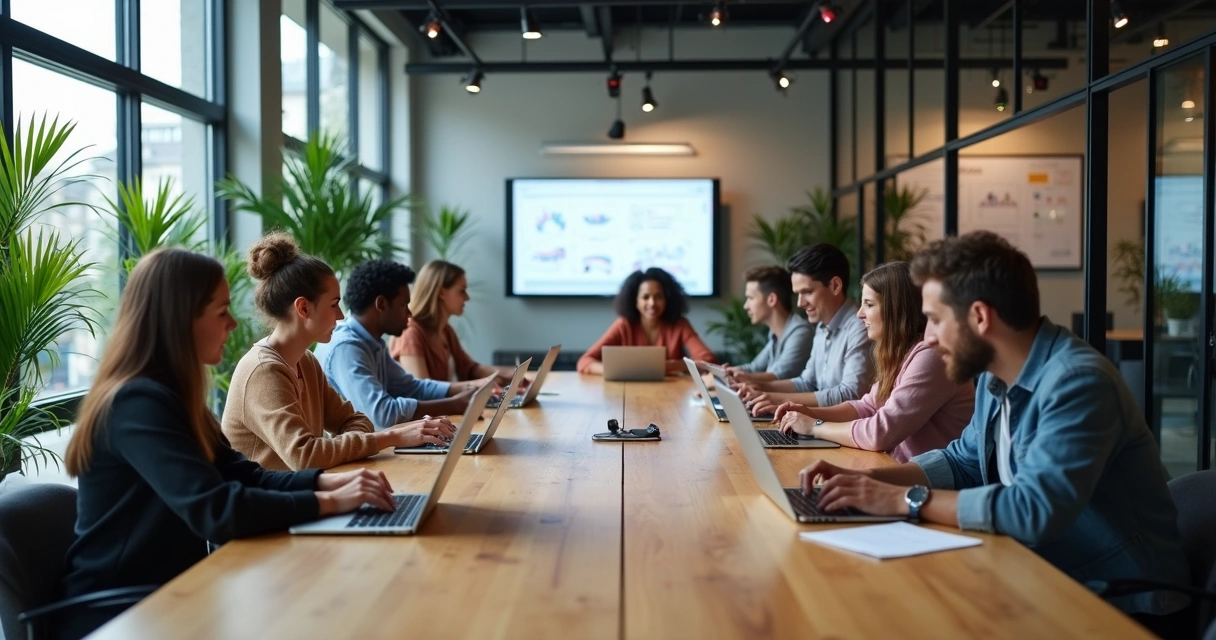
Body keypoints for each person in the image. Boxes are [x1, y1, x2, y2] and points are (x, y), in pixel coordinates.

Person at [798, 232, 1189, 622]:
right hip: (1039, 571)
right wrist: (870, 483)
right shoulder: (993, 376)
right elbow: (962, 461)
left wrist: (902, 500)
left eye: (934, 320)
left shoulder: (1077, 383)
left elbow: (1034, 510)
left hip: (1124, 602)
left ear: (980, 317)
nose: (928, 337)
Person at [60, 248, 396, 640]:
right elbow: (216, 510)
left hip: (174, 597)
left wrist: (330, 484)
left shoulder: (170, 396)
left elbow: (244, 474)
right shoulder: (136, 403)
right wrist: (329, 502)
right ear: (181, 320)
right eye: (221, 312)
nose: (234, 324)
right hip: (119, 614)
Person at [222, 233, 457, 471]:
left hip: (300, 496)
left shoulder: (306, 362)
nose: (341, 315)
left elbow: (356, 420)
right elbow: (306, 456)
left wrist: (338, 448)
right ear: (303, 308)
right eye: (334, 304)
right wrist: (393, 436)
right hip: (266, 506)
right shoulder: (264, 371)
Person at [771, 262, 973, 462]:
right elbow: (867, 407)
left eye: (868, 304)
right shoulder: (902, 353)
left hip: (925, 485)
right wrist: (808, 413)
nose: (859, 314)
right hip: (898, 471)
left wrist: (814, 426)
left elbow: (881, 433)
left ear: (896, 309)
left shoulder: (931, 356)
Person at [314, 259, 492, 431]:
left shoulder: (372, 342)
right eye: (403, 304)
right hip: (350, 459)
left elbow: (411, 388)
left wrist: (469, 388)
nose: (409, 312)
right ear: (381, 304)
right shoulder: (347, 348)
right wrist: (453, 405)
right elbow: (382, 415)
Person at [740, 244, 873, 415]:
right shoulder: (821, 326)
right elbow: (807, 382)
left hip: (845, 434)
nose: (800, 303)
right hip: (820, 426)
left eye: (807, 292)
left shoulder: (859, 328)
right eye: (798, 294)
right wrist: (759, 388)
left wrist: (775, 398)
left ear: (835, 286)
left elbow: (851, 394)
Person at [389, 260, 517, 384]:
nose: (467, 297)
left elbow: (469, 368)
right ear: (441, 293)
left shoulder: (445, 330)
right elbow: (423, 389)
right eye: (462, 291)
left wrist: (510, 373)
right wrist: (482, 384)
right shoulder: (410, 332)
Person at [577, 266, 716, 375]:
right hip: (629, 395)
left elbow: (708, 360)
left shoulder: (679, 324)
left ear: (667, 299)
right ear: (635, 301)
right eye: (645, 297)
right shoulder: (624, 325)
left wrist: (668, 367)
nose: (652, 303)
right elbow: (584, 362)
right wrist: (616, 372)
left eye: (658, 297)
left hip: (671, 394)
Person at [710, 265, 812, 382]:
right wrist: (723, 372)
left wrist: (734, 376)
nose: (746, 306)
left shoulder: (801, 332)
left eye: (750, 298)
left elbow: (778, 376)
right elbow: (754, 368)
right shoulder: (775, 334)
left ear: (772, 300)